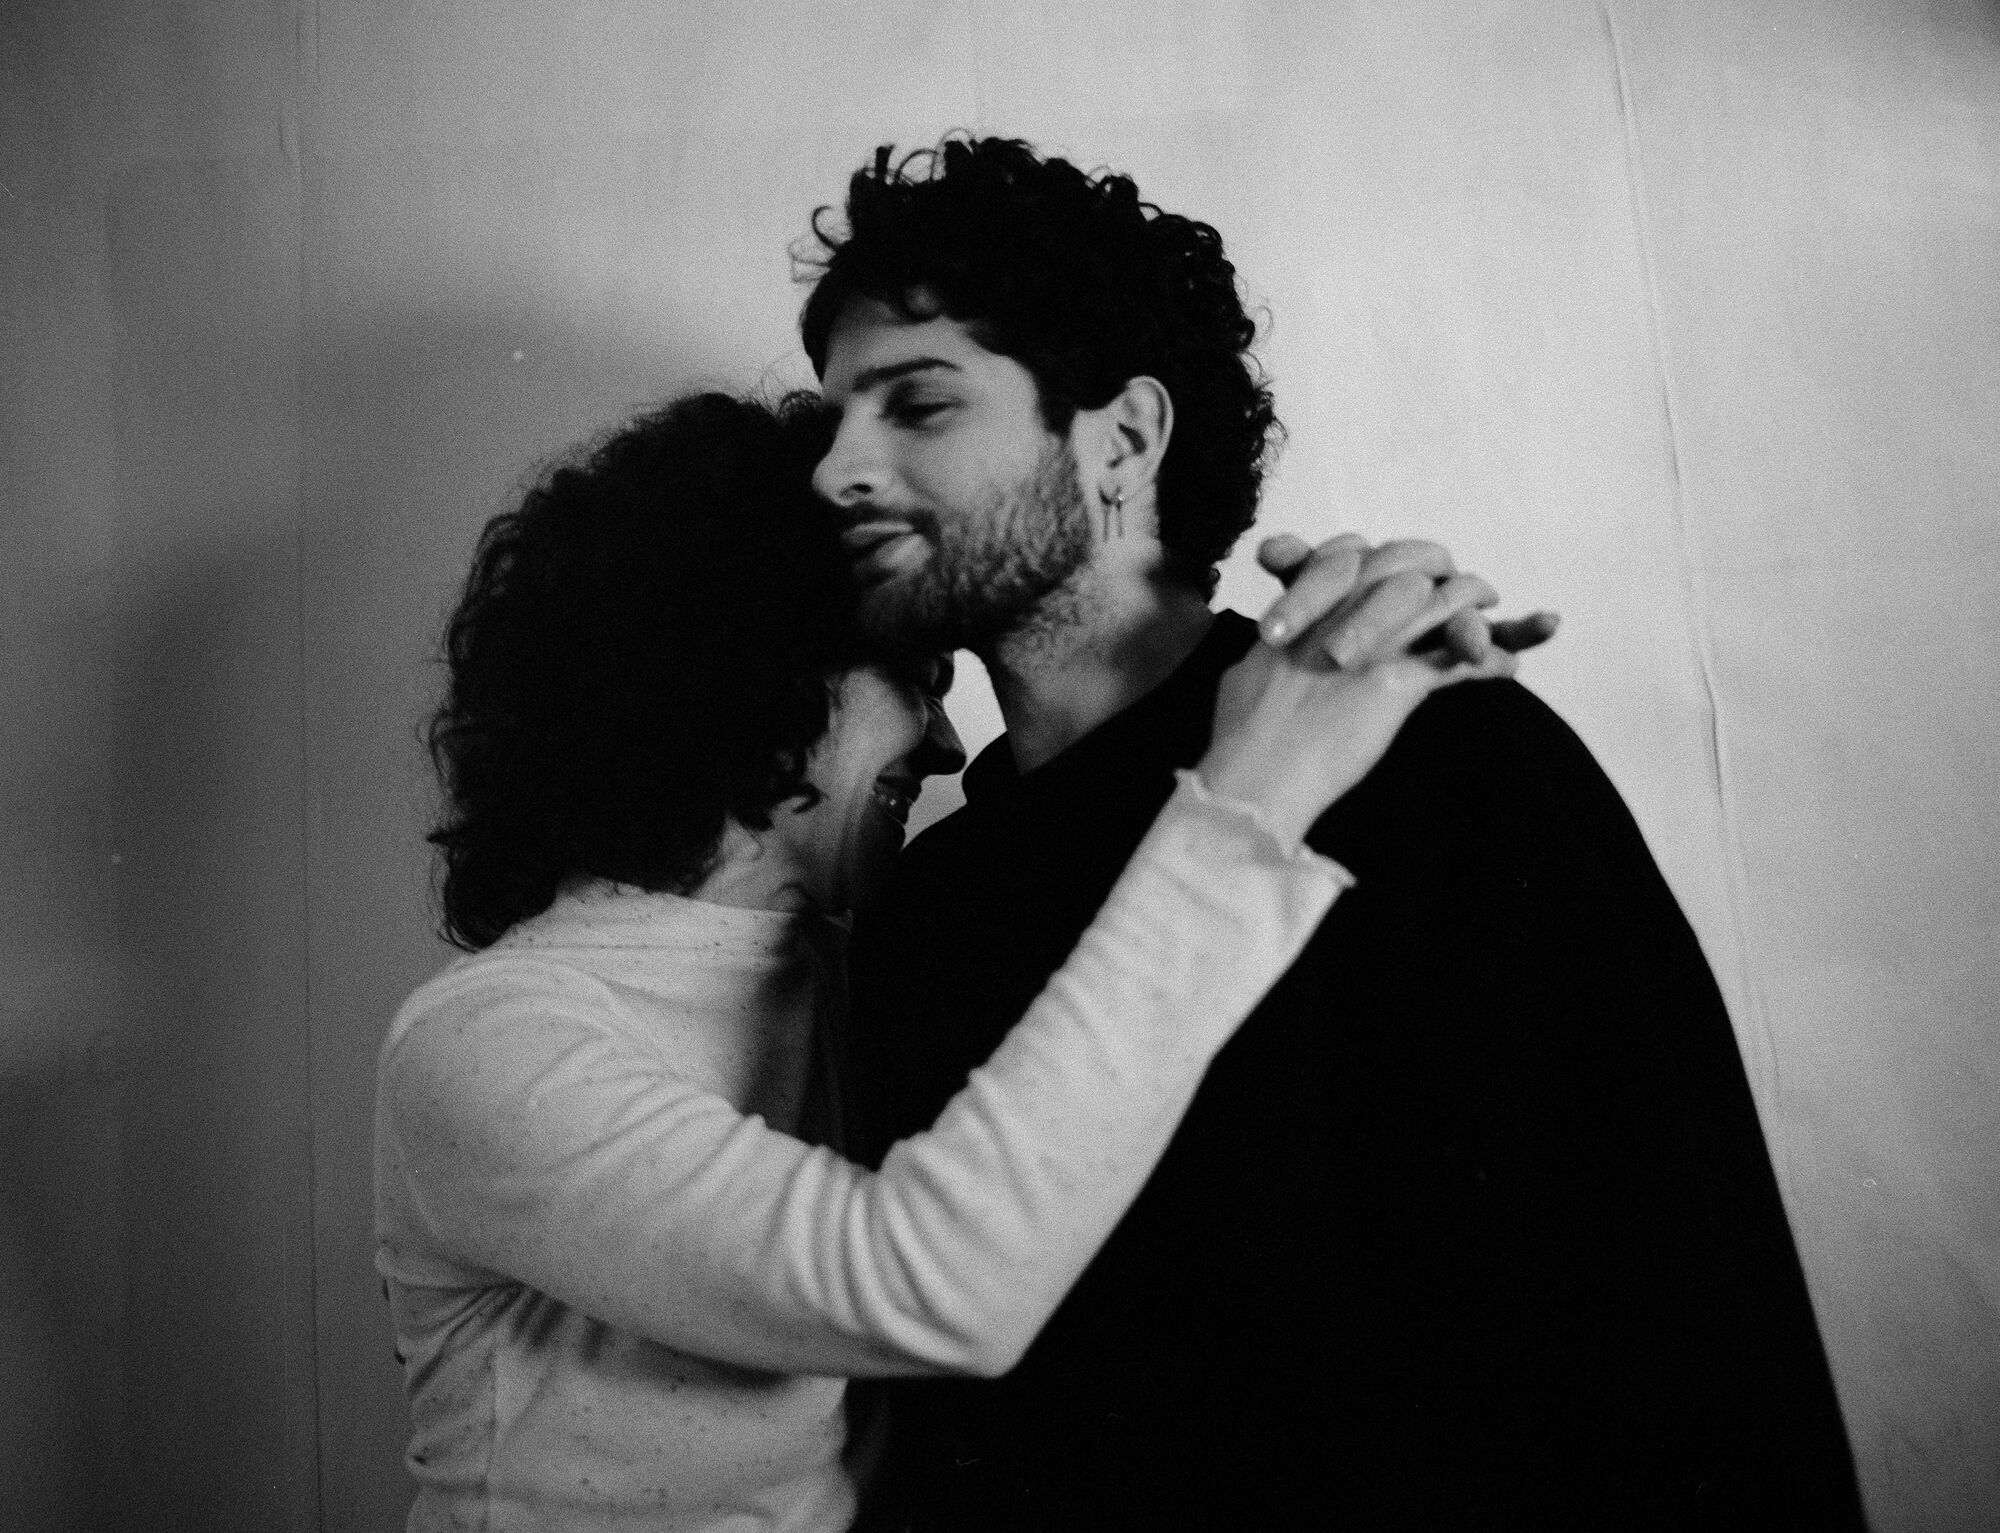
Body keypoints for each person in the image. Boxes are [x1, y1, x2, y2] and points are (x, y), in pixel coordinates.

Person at [805, 136, 1868, 1529]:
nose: (837, 471)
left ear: (1122, 438)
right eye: (831, 422)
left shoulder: (1431, 755)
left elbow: (1685, 1325)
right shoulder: (923, 905)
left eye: (918, 404)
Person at [374, 389, 1526, 1532]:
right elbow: (924, 1287)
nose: (945, 742)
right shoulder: (489, 1039)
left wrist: (1369, 652)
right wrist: (1251, 798)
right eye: (916, 678)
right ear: (750, 665)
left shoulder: (876, 962)